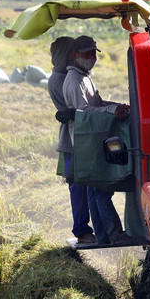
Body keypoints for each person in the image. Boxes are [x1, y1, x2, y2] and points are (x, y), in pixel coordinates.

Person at [62, 35, 134, 245]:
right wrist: (113, 109)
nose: (92, 58)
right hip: (87, 142)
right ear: (75, 55)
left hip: (92, 139)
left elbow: (98, 102)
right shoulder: (75, 81)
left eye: (94, 54)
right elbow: (84, 111)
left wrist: (117, 105)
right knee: (102, 189)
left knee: (95, 191)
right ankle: (116, 235)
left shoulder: (84, 77)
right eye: (87, 54)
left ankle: (103, 236)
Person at [48, 36, 95, 246]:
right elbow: (74, 109)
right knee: (78, 185)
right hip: (72, 139)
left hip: (77, 135)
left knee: (83, 185)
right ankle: (82, 230)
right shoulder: (61, 78)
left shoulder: (72, 75)